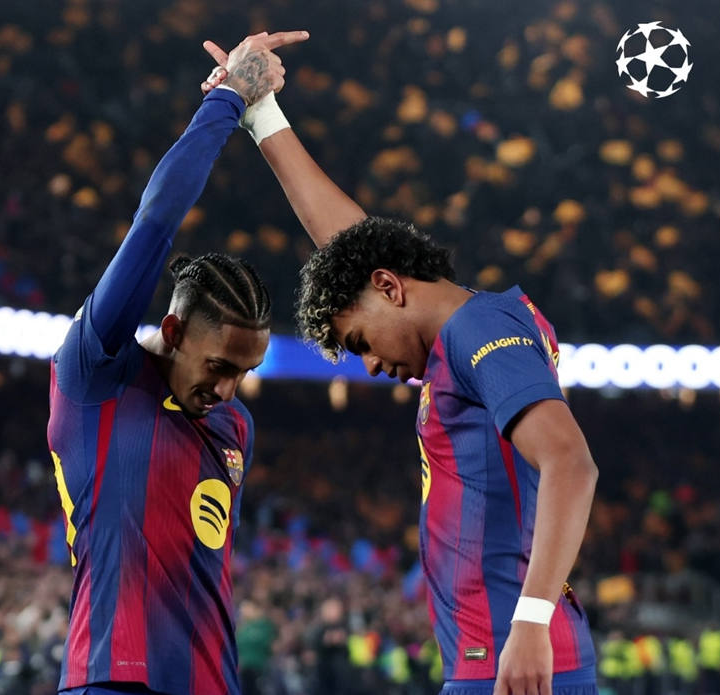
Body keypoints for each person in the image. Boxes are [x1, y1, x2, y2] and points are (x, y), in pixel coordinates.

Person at [202, 42, 600, 695]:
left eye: (359, 341)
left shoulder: (478, 331)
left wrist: (530, 622)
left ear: (390, 287)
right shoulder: (460, 330)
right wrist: (261, 112)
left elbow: (570, 461)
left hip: (513, 657)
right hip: (493, 655)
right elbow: (348, 246)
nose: (369, 365)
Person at [47, 30, 308, 695]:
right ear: (172, 329)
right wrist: (230, 99)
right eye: (218, 365)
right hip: (112, 681)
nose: (228, 389)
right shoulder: (97, 374)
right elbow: (156, 222)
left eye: (244, 373)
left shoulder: (235, 427)